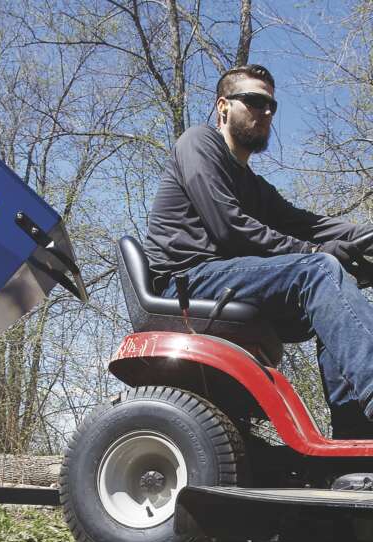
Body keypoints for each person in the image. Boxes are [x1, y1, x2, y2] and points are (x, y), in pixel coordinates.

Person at [145, 63, 373, 439]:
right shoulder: (198, 142)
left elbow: (308, 223)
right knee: (319, 269)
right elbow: (231, 228)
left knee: (336, 293)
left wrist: (363, 237)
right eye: (254, 101)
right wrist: (321, 252)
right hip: (187, 281)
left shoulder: (254, 184)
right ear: (223, 106)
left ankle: (355, 442)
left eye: (272, 106)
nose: (266, 112)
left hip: (228, 281)